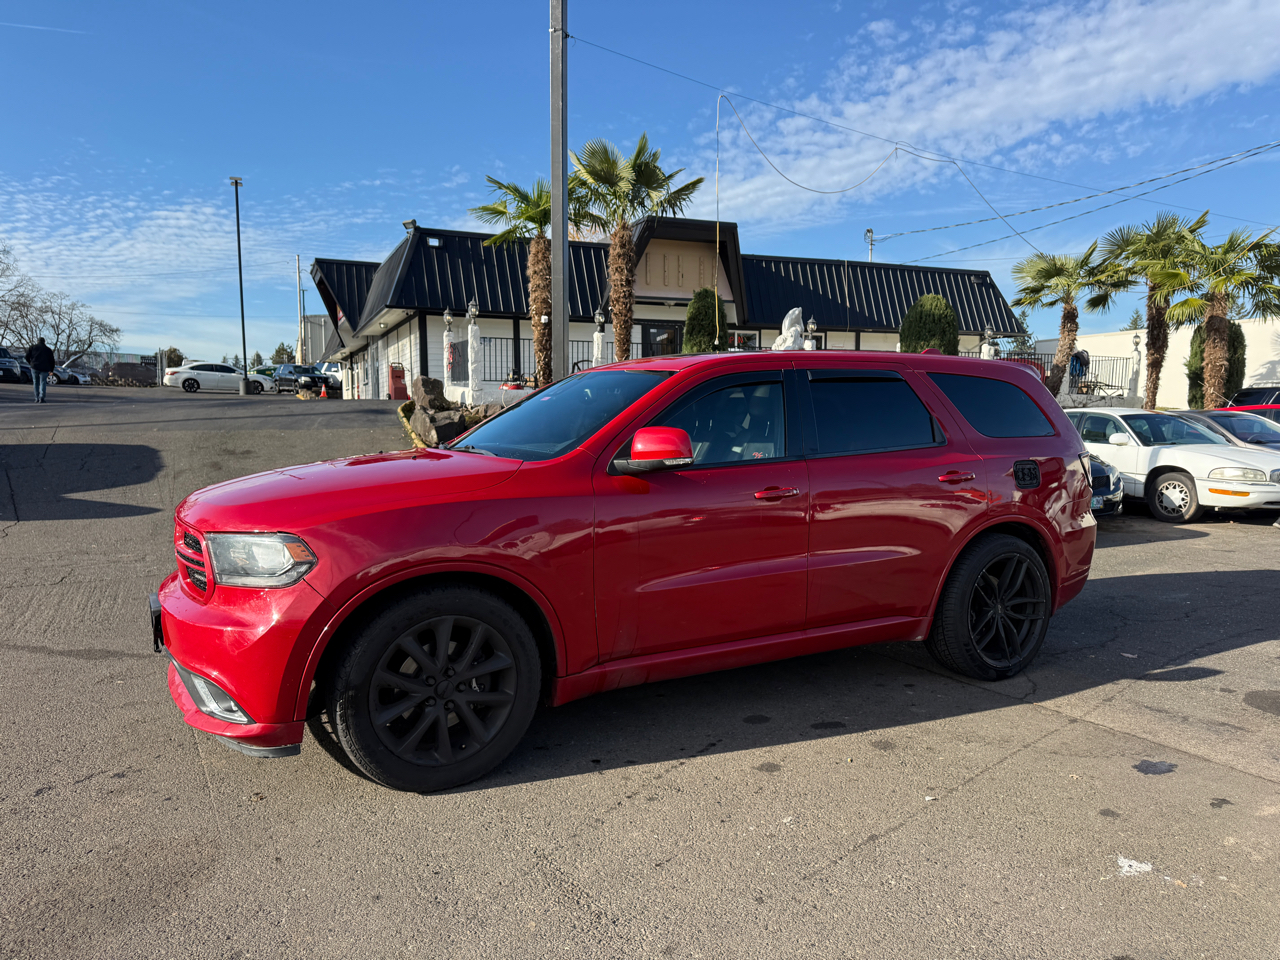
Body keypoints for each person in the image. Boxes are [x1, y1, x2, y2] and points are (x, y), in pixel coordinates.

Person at [25, 337, 56, 404]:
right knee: (43, 382)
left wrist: (31, 363)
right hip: (45, 368)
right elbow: (52, 361)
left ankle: (36, 397)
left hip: (35, 367)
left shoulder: (32, 348)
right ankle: (42, 397)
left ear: (37, 341)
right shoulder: (48, 350)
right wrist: (51, 370)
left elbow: (26, 356)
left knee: (35, 382)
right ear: (44, 342)